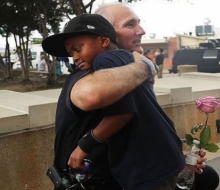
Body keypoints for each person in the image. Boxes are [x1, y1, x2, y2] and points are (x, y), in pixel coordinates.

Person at [43, 13, 185, 190]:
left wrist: (84, 146)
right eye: (71, 53)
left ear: (103, 41)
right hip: (164, 160)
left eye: (78, 48)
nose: (75, 57)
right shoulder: (128, 60)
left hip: (146, 169)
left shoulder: (106, 59)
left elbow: (122, 112)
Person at [94, 3, 218, 190]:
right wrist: (147, 65)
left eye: (139, 23)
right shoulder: (109, 68)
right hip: (148, 177)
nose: (141, 31)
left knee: (208, 177)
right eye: (130, 25)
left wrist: (178, 155)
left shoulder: (132, 70)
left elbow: (146, 129)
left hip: (164, 164)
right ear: (106, 37)